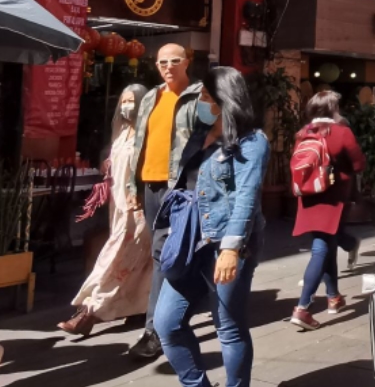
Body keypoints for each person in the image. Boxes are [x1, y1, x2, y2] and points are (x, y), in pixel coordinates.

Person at [155, 67, 268, 387]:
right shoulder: (200, 130)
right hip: (188, 238)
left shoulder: (252, 141)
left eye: (206, 94)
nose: (201, 99)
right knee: (167, 324)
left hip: (224, 243)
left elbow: (246, 198)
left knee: (229, 328)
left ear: (225, 98)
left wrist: (231, 249)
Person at [127, 44, 202, 360]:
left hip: (180, 187)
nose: (168, 66)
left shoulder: (200, 97)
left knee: (168, 256)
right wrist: (133, 184)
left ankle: (156, 330)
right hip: (151, 185)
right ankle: (164, 324)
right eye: (162, 62)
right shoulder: (151, 97)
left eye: (175, 60)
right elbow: (139, 143)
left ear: (187, 62)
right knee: (161, 255)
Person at [58, 84, 153, 336]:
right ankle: (139, 309)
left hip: (138, 210)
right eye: (123, 101)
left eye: (132, 101)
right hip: (119, 207)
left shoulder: (150, 135)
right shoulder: (122, 134)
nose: (126, 107)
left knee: (114, 259)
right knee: (136, 263)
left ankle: (88, 311)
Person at [289, 91, 366, 331]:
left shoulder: (303, 134)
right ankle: (303, 308)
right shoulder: (342, 132)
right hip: (333, 198)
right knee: (321, 248)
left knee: (327, 243)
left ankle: (334, 297)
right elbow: (359, 164)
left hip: (308, 197)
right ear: (334, 109)